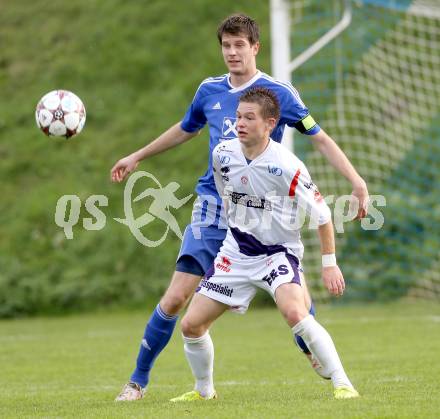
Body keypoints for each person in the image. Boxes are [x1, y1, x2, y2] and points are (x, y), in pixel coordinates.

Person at [111, 14, 368, 401]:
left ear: (254, 48)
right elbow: (186, 128)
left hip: (265, 212)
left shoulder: (277, 92)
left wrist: (356, 180)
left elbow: (319, 138)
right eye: (226, 46)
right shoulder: (209, 90)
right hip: (214, 207)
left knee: (294, 303)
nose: (231, 53)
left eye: (239, 45)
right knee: (176, 298)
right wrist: (138, 155)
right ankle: (137, 381)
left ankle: (319, 355)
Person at [169, 87, 359, 402]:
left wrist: (330, 265)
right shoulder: (223, 153)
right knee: (190, 324)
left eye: (249, 118)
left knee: (295, 312)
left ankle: (343, 383)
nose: (239, 123)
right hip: (236, 252)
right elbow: (223, 187)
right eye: (238, 116)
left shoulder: (286, 165)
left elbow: (323, 216)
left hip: (277, 254)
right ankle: (203, 392)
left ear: (270, 124)